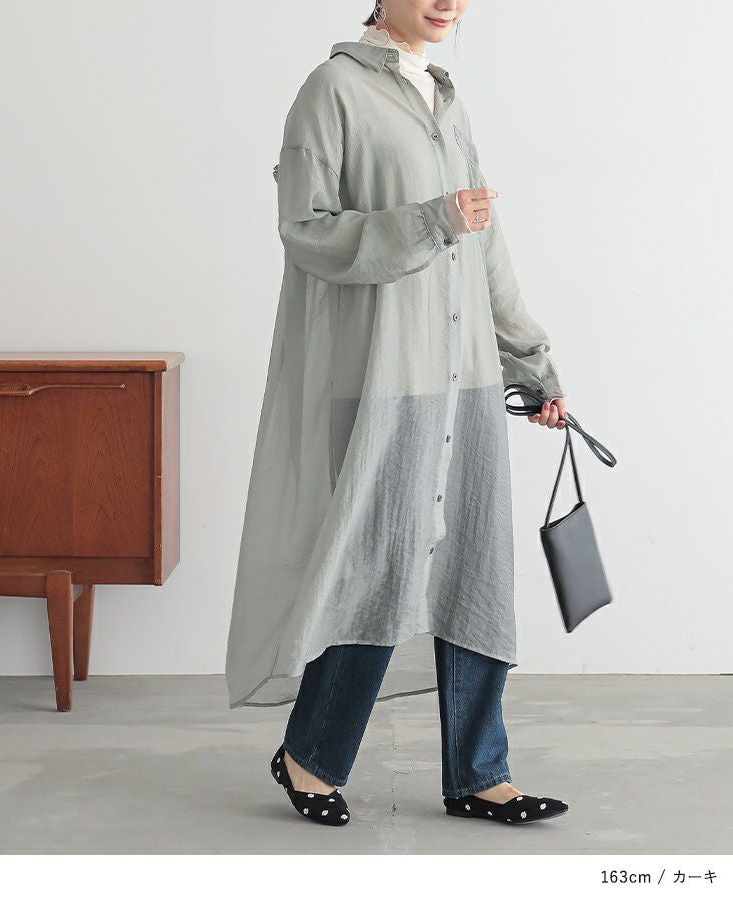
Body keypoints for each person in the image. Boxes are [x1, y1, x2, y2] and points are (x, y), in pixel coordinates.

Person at [227, 0, 570, 827]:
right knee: (374, 565)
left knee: (475, 565)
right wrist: (430, 220)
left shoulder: (446, 98)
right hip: (384, 374)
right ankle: (310, 757)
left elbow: (486, 247)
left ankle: (480, 774)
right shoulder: (332, 90)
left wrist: (532, 364)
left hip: (466, 376)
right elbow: (304, 229)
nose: (447, 2)